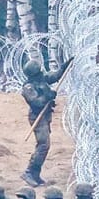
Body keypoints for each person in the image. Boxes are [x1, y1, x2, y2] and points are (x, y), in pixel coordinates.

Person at [20, 55, 68, 187]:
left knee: (44, 146)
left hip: (45, 115)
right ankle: (29, 172)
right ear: (34, 74)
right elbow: (37, 103)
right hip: (37, 117)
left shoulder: (40, 79)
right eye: (39, 71)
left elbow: (54, 77)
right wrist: (48, 96)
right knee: (43, 145)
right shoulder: (28, 88)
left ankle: (35, 174)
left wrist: (64, 66)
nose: (42, 72)